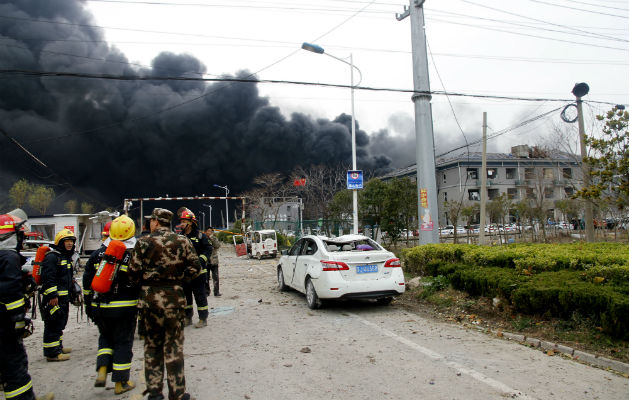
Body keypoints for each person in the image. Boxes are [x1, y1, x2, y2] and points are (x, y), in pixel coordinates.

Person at [129, 208, 201, 400]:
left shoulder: (143, 242)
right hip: (174, 301)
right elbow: (196, 267)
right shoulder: (183, 241)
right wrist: (178, 280)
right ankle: (177, 393)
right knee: (174, 347)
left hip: (149, 303)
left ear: (155, 222)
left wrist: (147, 284)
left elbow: (133, 273)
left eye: (150, 221)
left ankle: (154, 393)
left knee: (152, 347)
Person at [0, 209, 55, 400]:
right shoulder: (9, 257)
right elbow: (11, 294)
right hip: (4, 324)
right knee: (15, 365)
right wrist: (19, 321)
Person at [83, 215, 140, 395]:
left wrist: (88, 304)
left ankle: (102, 370)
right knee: (123, 342)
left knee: (105, 338)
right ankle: (121, 382)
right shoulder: (132, 255)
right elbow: (139, 280)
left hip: (100, 307)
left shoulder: (97, 254)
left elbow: (87, 282)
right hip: (125, 308)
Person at [40, 228, 77, 362]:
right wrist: (52, 296)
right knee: (53, 324)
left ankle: (58, 347)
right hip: (54, 299)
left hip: (63, 298)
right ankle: (52, 353)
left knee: (60, 322)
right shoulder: (52, 257)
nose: (69, 244)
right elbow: (48, 279)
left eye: (71, 241)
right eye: (66, 241)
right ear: (60, 242)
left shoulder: (65, 257)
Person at [179, 209, 211, 328]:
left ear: (191, 222)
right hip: (185, 273)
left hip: (199, 273)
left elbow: (208, 249)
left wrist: (201, 260)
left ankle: (203, 318)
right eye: (181, 221)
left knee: (200, 295)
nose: (181, 224)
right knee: (186, 297)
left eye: (184, 221)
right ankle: (188, 317)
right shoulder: (180, 237)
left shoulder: (200, 236)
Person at [204, 227, 221, 297]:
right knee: (206, 277)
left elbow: (217, 246)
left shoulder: (214, 238)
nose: (209, 232)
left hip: (214, 261)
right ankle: (207, 292)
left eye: (211, 231)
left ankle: (216, 292)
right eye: (208, 231)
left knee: (216, 277)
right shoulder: (203, 238)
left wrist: (212, 238)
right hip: (206, 261)